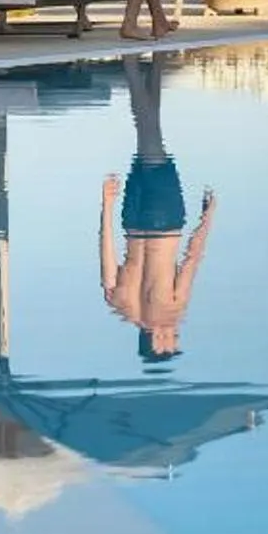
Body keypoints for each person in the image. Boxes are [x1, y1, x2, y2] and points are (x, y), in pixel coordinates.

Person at [101, 54, 215, 363]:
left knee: (149, 136)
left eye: (170, 341)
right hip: (132, 220)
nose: (174, 334)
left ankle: (133, 64)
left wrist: (208, 218)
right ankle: (156, 61)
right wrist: (107, 206)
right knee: (149, 138)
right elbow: (107, 256)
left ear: (155, 341)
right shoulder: (119, 305)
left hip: (164, 220)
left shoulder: (172, 312)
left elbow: (192, 259)